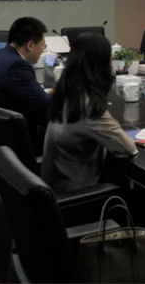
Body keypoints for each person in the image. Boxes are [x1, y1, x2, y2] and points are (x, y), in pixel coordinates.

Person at [41, 33, 137, 193]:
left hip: (56, 187)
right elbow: (128, 148)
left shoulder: (66, 91)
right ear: (100, 65)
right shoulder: (87, 105)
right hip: (77, 195)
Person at [0, 16, 52, 146]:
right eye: (42, 45)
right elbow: (45, 108)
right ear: (30, 45)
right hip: (8, 142)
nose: (42, 50)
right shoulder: (16, 66)